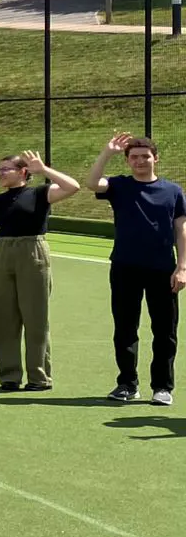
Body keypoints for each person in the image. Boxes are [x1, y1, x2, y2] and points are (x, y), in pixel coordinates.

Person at [0, 148, 80, 391]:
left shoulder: (39, 193)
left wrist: (45, 170)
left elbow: (73, 187)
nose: (1, 174)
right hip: (2, 250)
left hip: (32, 250)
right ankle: (9, 376)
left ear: (23, 172)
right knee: (3, 316)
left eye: (6, 169)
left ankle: (39, 377)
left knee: (35, 317)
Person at [86, 133, 186, 406]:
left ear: (156, 158)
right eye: (134, 157)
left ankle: (162, 387)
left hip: (162, 269)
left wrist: (182, 266)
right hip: (124, 268)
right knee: (125, 328)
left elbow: (181, 229)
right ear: (128, 161)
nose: (140, 161)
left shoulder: (173, 191)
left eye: (145, 156)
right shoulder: (119, 186)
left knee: (165, 330)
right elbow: (92, 183)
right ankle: (127, 384)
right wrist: (107, 153)